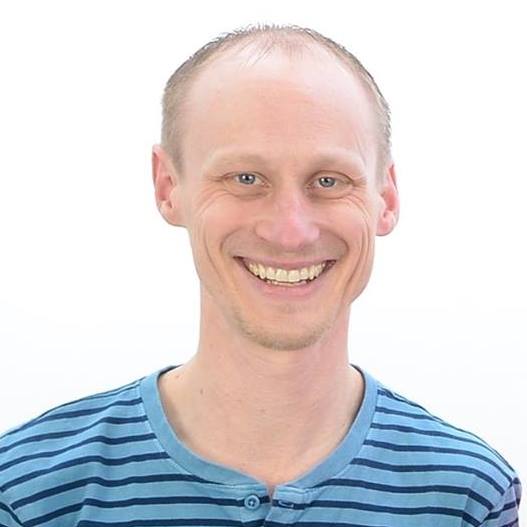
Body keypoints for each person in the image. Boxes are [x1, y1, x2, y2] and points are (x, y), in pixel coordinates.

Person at [0, 23, 522, 526]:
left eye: (328, 179)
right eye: (245, 178)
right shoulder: (26, 490)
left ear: (385, 198)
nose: (289, 231)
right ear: (167, 186)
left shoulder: (466, 493)